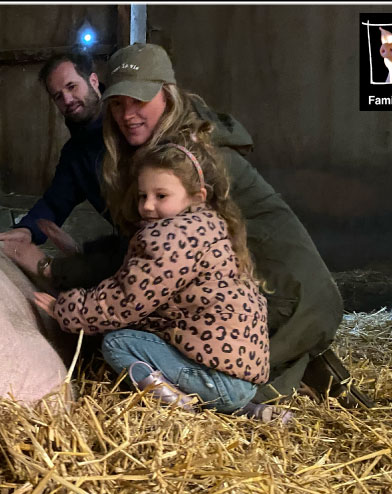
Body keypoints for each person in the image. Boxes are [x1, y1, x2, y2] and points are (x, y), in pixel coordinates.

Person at [0, 43, 373, 408]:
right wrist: (46, 240)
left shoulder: (183, 163)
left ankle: (287, 369)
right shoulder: (142, 151)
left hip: (287, 297)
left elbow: (145, 265)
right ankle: (298, 364)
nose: (128, 114)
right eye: (120, 103)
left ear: (168, 95)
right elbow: (132, 241)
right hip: (265, 291)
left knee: (129, 343)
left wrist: (54, 271)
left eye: (140, 100)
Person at [33, 135, 290, 422]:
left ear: (197, 196)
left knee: (117, 343)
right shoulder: (210, 228)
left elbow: (125, 300)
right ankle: (243, 410)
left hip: (218, 377)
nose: (147, 206)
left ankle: (181, 410)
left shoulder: (171, 237)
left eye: (161, 196)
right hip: (239, 378)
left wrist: (69, 309)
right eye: (143, 196)